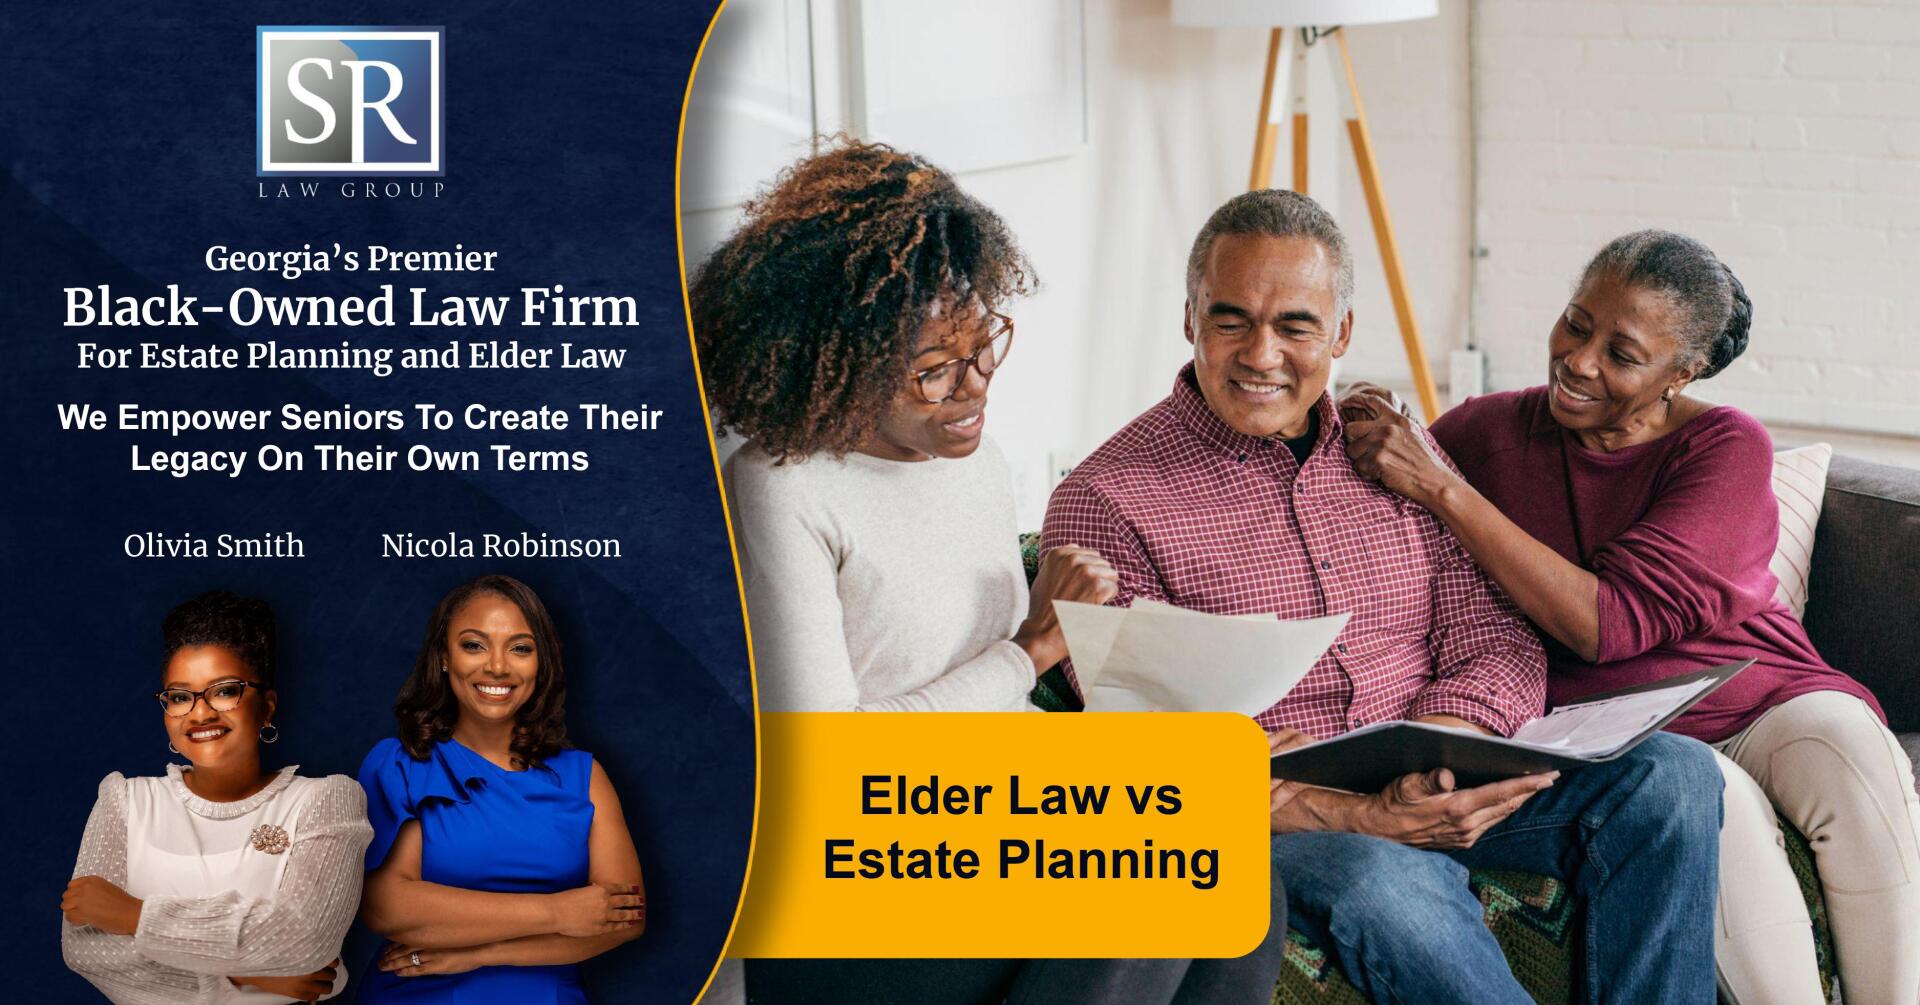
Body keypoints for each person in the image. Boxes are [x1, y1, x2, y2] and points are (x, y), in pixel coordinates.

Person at [1042, 189, 1726, 1003]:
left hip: (1437, 768)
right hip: (1292, 820)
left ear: (1341, 332)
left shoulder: (1396, 453)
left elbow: (1496, 637)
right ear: (1190, 319)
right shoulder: (1104, 500)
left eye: (1295, 324)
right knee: (1387, 879)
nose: (1261, 354)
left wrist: (1444, 743)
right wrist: (1361, 811)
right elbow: (1153, 762)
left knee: (1673, 777)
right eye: (1231, 319)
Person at [695, 139, 1287, 1003]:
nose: (973, 388)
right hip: (862, 870)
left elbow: (1004, 712)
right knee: (1163, 890)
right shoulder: (778, 491)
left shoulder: (975, 461)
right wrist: (1029, 650)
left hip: (992, 824)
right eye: (934, 370)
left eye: (984, 347)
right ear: (843, 360)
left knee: (1235, 867)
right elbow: (825, 766)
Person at [1341, 228, 1920, 1004]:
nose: (1579, 361)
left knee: (1853, 752)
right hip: (1621, 729)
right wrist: (1356, 415)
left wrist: (1445, 489)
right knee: (1712, 807)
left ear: (1682, 372)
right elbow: (1368, 495)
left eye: (1621, 352)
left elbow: (1609, 622)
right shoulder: (1487, 431)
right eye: (1577, 324)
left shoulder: (1723, 444)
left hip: (1760, 692)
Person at [61, 591, 371, 1004]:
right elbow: (86, 952)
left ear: (266, 708)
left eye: (224, 691)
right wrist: (238, 975)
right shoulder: (124, 801)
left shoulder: (326, 800)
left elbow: (304, 939)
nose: (200, 712)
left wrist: (133, 916)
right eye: (179, 696)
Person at [355, 574, 646, 1004]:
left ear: (541, 662)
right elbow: (388, 908)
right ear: (443, 657)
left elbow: (625, 919)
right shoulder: (402, 765)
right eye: (474, 645)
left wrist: (484, 953)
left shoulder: (583, 775)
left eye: (521, 648)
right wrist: (558, 912)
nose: (497, 666)